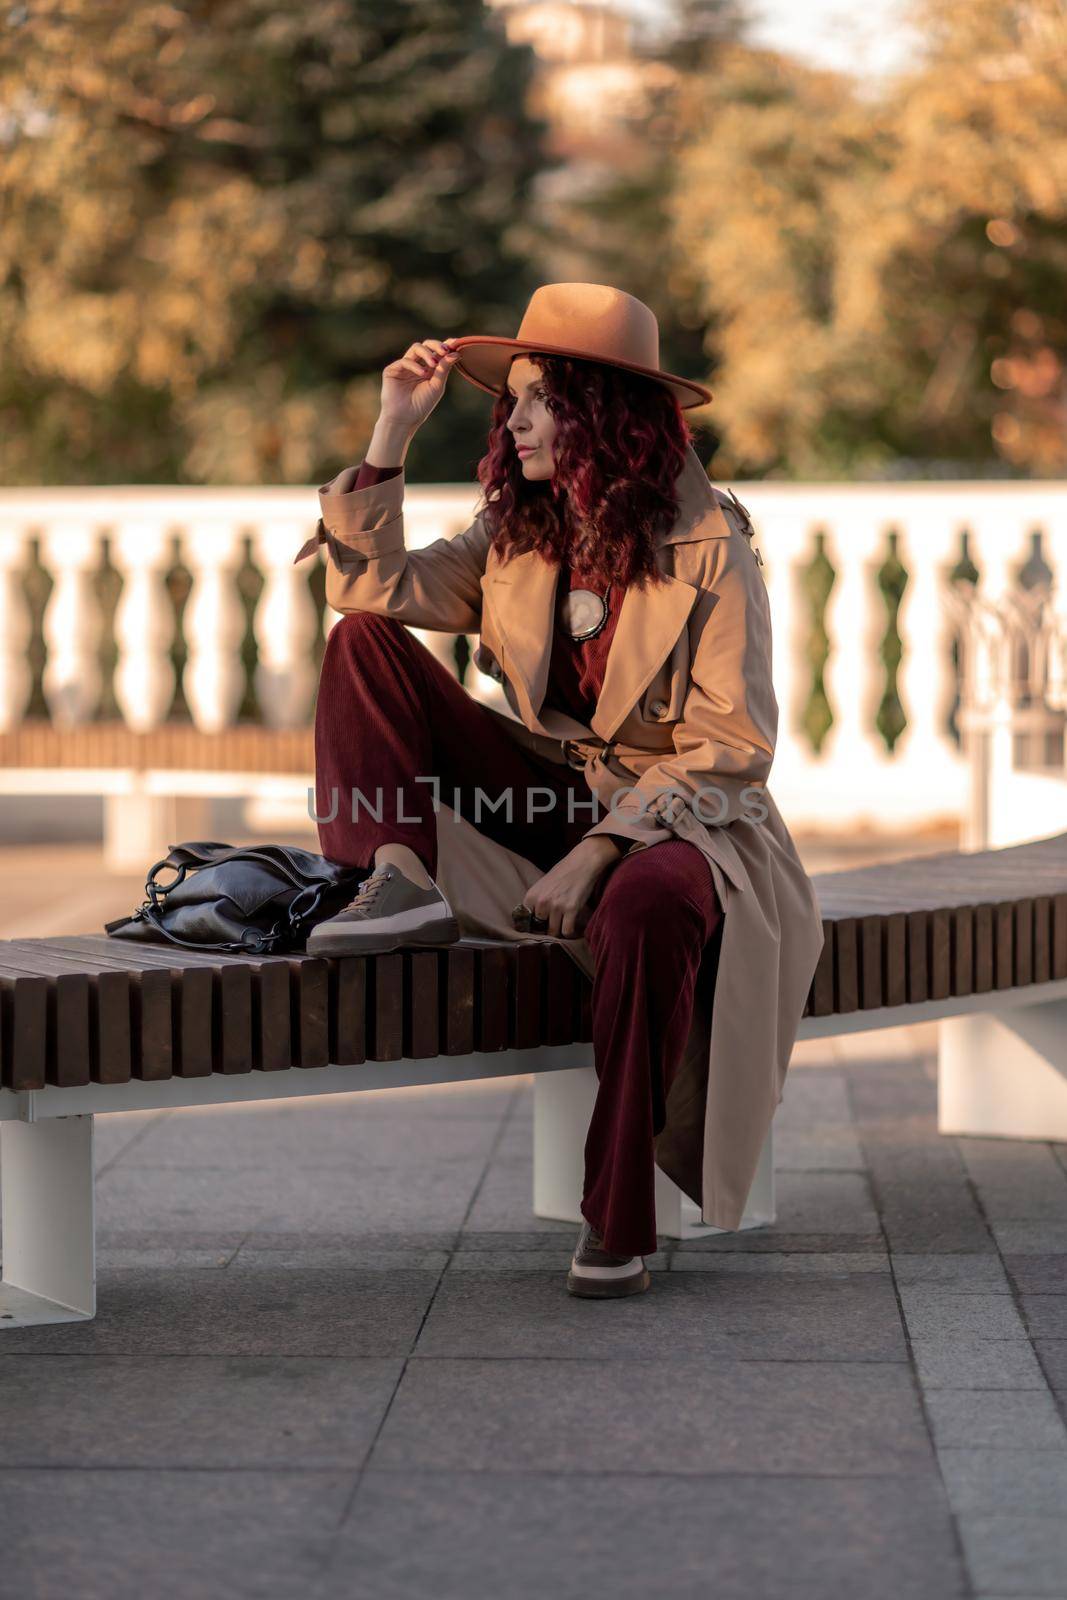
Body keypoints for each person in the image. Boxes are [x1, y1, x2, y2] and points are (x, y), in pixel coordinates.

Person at [293, 283, 823, 1301]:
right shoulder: (516, 534)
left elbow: (730, 744)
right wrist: (392, 430)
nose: (516, 420)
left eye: (539, 399)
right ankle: (394, 878)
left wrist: (600, 847)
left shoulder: (711, 544)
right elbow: (370, 589)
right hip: (551, 791)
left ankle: (616, 1214)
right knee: (362, 646)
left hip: (688, 822)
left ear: (602, 415)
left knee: (646, 903)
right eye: (513, 402)